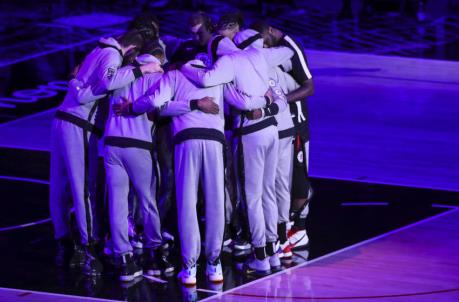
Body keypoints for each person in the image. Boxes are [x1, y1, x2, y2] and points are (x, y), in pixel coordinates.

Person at [49, 29, 161, 275]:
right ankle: (88, 252)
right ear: (131, 50)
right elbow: (108, 83)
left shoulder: (97, 49)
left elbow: (79, 78)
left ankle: (63, 243)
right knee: (84, 190)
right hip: (79, 126)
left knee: (58, 186)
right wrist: (143, 70)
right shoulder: (112, 57)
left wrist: (75, 85)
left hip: (60, 120)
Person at [181, 29, 293, 275]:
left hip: (249, 134)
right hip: (272, 129)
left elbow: (206, 81)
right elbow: (287, 54)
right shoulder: (259, 57)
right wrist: (265, 105)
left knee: (251, 197)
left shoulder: (228, 63)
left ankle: (260, 257)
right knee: (268, 192)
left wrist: (186, 67)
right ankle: (273, 254)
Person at [103, 42, 175, 282]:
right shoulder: (158, 75)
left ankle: (124, 259)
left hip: (112, 144)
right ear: (158, 57)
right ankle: (155, 253)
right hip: (138, 145)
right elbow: (159, 106)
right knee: (147, 201)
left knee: (118, 203)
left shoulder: (124, 71)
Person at [251, 21, 315, 254]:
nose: (262, 45)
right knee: (282, 180)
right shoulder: (269, 51)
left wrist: (282, 100)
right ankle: (287, 227)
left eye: (263, 40)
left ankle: (298, 229)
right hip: (281, 125)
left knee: (297, 180)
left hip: (297, 124)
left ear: (269, 31)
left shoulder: (290, 47)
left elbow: (310, 87)